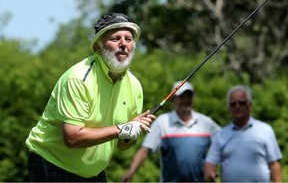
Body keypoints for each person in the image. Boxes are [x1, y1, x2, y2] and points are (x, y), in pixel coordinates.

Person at [25, 12, 156, 182]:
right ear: (98, 47)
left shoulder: (135, 86)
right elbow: (72, 138)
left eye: (129, 39)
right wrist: (121, 129)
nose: (123, 44)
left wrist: (135, 129)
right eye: (115, 38)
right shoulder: (79, 78)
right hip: (52, 160)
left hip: (92, 172)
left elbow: (123, 145)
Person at [122, 81, 221, 182]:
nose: (186, 100)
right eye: (182, 97)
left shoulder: (206, 122)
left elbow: (225, 142)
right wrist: (131, 172)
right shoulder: (162, 122)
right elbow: (145, 151)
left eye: (189, 96)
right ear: (173, 100)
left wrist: (212, 167)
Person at [204, 85, 282, 182]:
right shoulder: (220, 135)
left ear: (250, 105)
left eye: (242, 103)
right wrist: (209, 174)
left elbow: (274, 164)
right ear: (229, 108)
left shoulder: (265, 130)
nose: (237, 106)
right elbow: (210, 163)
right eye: (233, 104)